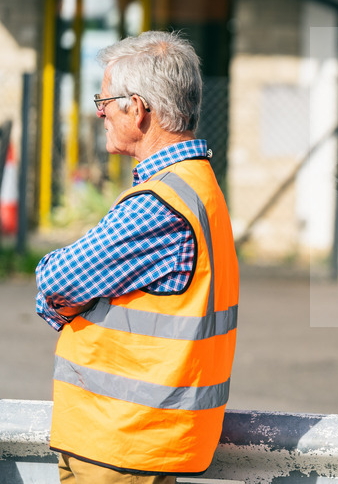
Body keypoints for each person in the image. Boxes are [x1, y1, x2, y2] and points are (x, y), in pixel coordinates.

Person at [35, 31, 239, 484]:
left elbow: (56, 280)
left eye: (104, 100)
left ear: (138, 108)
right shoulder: (197, 186)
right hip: (143, 439)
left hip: (120, 441)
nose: (99, 112)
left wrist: (67, 301)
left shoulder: (159, 203)